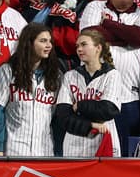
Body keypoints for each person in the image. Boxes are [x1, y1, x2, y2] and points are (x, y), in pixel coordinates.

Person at [77, 0, 140, 153]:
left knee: (123, 152)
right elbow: (90, 37)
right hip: (93, 94)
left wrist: (108, 24)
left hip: (129, 96)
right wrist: (126, 37)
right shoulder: (94, 6)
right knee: (90, 149)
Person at [0, 23, 62, 157]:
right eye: (43, 41)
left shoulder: (55, 75)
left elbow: (58, 118)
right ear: (29, 43)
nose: (49, 45)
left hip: (45, 151)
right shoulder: (8, 70)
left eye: (50, 41)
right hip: (13, 149)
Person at [54, 27, 127, 157]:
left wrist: (80, 106)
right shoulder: (70, 76)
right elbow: (63, 116)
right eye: (77, 46)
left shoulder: (112, 75)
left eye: (84, 45)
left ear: (98, 48)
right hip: (74, 144)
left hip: (103, 141)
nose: (79, 50)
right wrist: (91, 124)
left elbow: (109, 110)